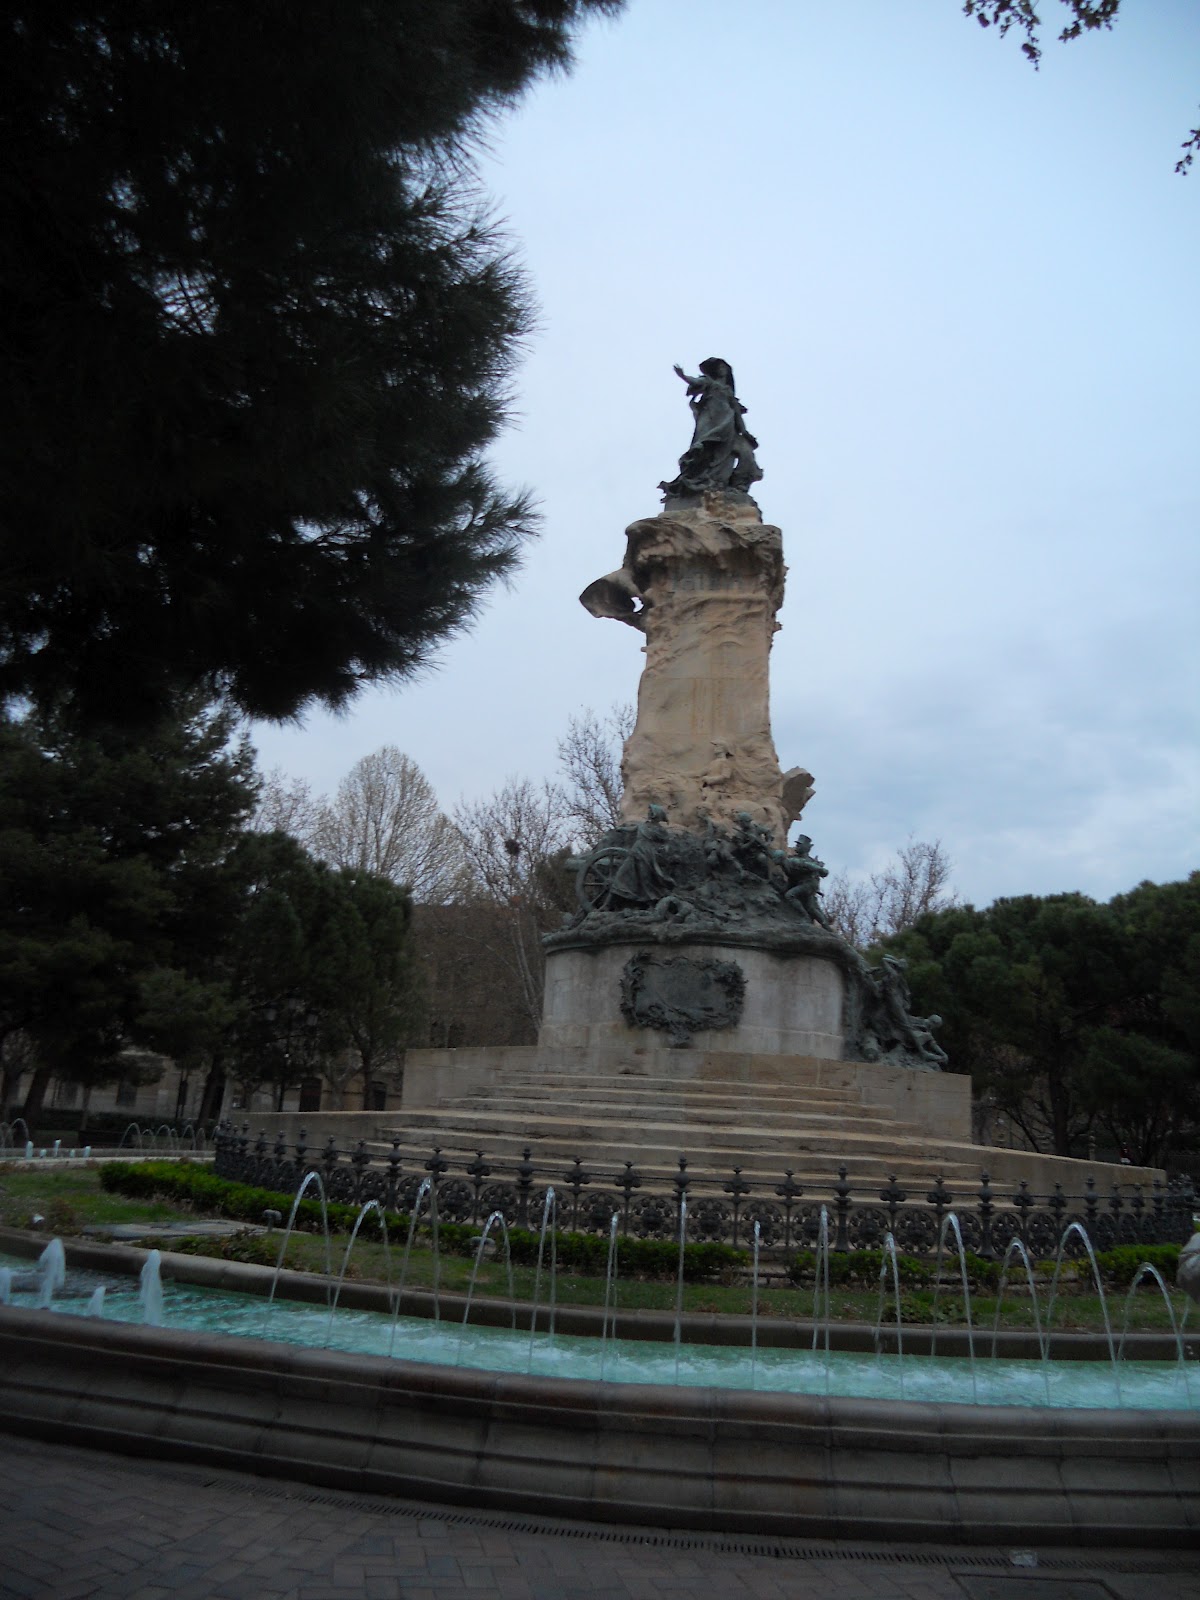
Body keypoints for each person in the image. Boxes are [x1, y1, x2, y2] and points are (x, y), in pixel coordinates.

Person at [659, 358, 763, 495]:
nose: (722, 370)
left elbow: (737, 413)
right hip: (710, 419)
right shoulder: (708, 382)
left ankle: (719, 482)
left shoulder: (728, 391)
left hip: (727, 422)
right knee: (703, 446)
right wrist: (683, 376)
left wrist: (744, 432)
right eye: (719, 367)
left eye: (724, 368)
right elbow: (695, 381)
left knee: (726, 453)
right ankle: (700, 479)